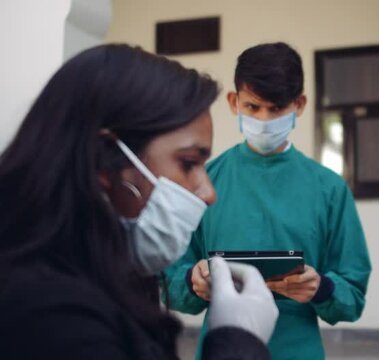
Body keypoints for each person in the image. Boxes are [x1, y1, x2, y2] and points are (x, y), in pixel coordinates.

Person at [0, 44, 278, 359]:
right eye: (188, 163)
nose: (208, 192)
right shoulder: (52, 318)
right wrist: (237, 343)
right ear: (106, 160)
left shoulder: (105, 269)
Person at [164, 42, 372, 360]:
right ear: (234, 102)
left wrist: (322, 288)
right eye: (253, 107)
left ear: (299, 104)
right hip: (221, 348)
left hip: (297, 350)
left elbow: (353, 293)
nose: (264, 119)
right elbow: (173, 279)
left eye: (276, 109)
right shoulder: (204, 182)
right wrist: (195, 282)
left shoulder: (329, 189)